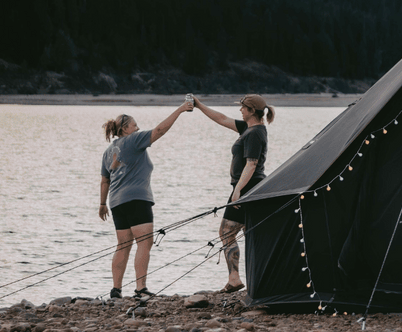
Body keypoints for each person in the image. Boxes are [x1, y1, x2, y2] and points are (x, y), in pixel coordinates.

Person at [99, 99, 193, 299]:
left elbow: (104, 180)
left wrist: (101, 204)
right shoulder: (133, 140)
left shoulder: (108, 152)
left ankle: (116, 289)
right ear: (125, 129)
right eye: (135, 125)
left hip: (116, 203)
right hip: (137, 200)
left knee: (122, 245)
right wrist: (180, 109)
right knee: (144, 242)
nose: (138, 128)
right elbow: (159, 130)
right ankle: (140, 288)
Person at [191, 94, 274, 293]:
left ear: (252, 111)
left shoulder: (254, 133)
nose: (240, 110)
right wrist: (200, 105)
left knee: (226, 232)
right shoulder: (249, 128)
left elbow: (252, 164)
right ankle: (254, 281)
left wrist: (238, 190)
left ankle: (235, 279)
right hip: (248, 188)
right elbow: (221, 119)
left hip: (247, 187)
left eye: (243, 108)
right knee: (249, 233)